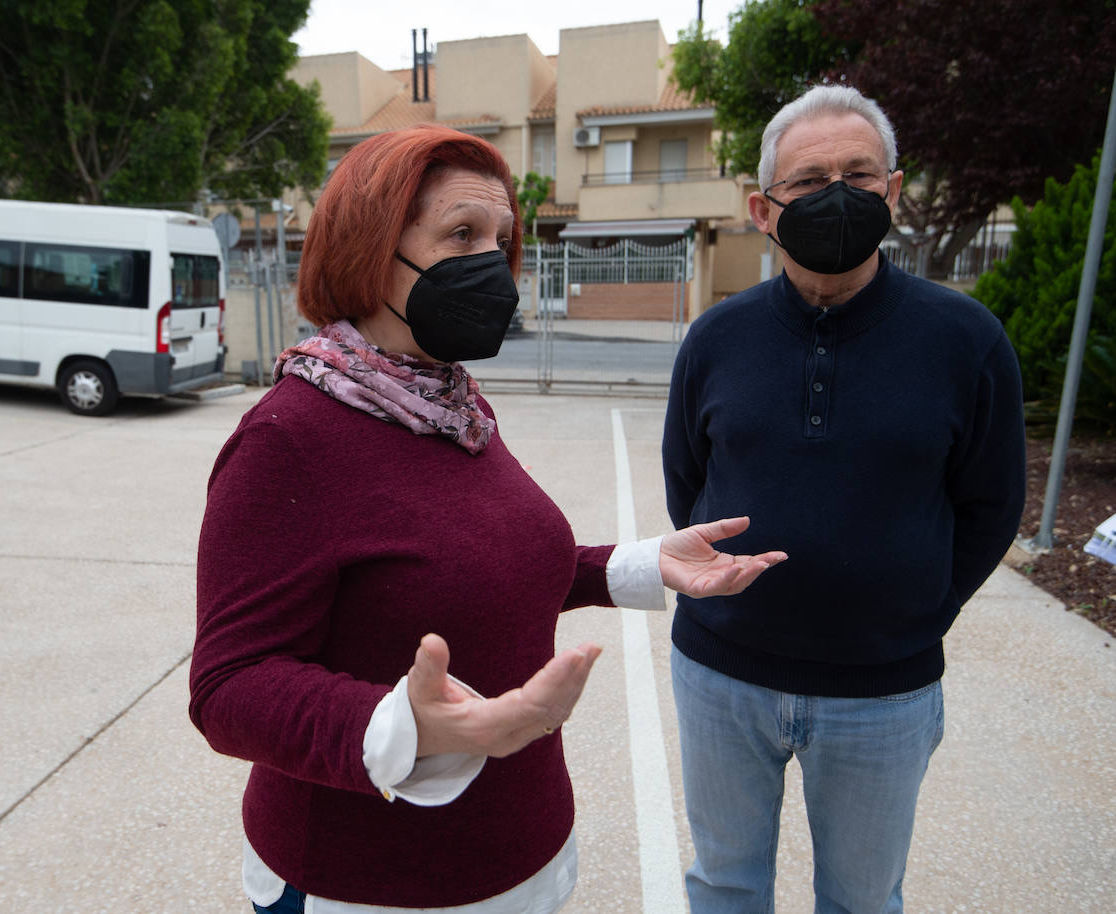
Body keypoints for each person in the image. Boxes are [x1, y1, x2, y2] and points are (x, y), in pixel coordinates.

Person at [188, 124, 786, 913]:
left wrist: (639, 563)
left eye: (501, 241)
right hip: (369, 883)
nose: (492, 267)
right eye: (460, 234)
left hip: (525, 855)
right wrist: (405, 726)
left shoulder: (451, 404)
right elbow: (228, 688)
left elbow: (489, 562)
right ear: (371, 250)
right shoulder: (289, 437)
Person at [661, 85, 1027, 912]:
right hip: (722, 676)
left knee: (863, 899)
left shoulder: (966, 341)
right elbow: (688, 481)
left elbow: (991, 505)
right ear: (762, 207)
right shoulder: (717, 338)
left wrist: (914, 610)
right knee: (723, 883)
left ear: (894, 193)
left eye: (860, 175)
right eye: (809, 178)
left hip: (884, 692)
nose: (837, 194)